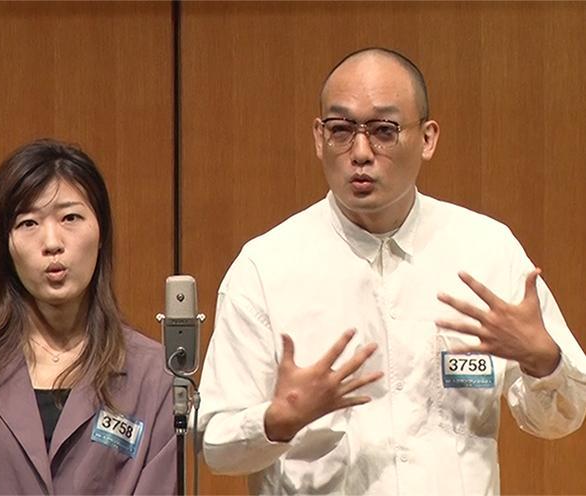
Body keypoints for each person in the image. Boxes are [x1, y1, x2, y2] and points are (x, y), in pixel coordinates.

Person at [197, 47, 586, 495]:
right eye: (341, 130)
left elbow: (561, 418)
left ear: (428, 138)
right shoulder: (265, 267)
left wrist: (543, 362)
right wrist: (278, 421)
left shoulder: (487, 250)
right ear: (319, 138)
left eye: (384, 130)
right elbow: (214, 446)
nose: (361, 153)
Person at [0, 139, 176, 494]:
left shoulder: (154, 376)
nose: (52, 242)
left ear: (101, 232)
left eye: (70, 218)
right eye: (28, 223)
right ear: (4, 246)